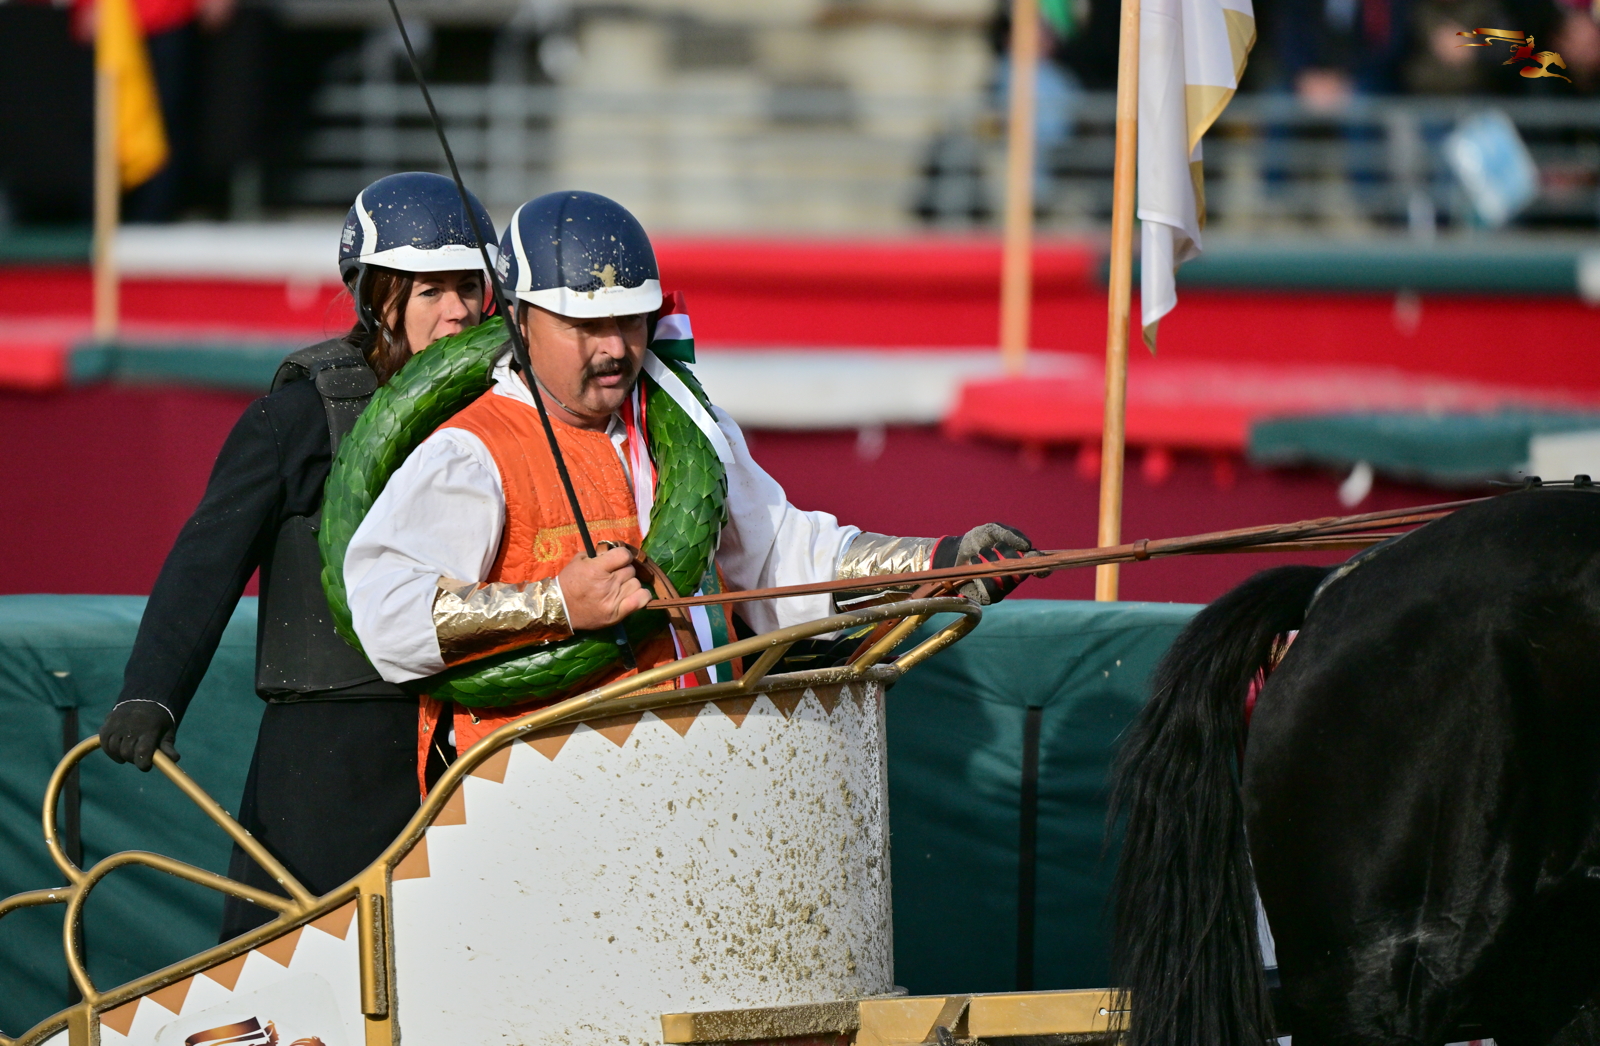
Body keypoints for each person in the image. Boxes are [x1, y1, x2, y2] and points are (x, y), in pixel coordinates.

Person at [343, 190, 1040, 784]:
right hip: (529, 800)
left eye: (629, 321)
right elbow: (387, 616)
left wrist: (938, 565)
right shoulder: (468, 452)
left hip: (696, 782)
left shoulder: (687, 426)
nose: (615, 348)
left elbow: (782, 558)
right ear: (522, 323)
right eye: (586, 325)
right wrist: (556, 602)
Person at [98, 171, 496, 941]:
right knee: (295, 961)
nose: (457, 310)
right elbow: (206, 559)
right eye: (431, 290)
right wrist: (151, 691)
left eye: (469, 287)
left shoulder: (509, 411)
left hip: (465, 736)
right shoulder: (301, 415)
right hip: (328, 754)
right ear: (379, 299)